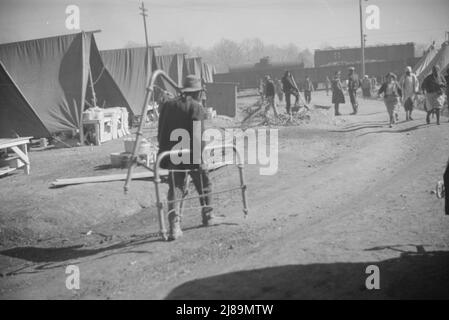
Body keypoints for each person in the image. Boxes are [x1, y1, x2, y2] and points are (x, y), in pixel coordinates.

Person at [157, 75, 219, 240]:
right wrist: (201, 156)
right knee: (204, 183)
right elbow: (198, 135)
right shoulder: (196, 107)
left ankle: (174, 227)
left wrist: (163, 154)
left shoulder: (168, 106)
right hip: (191, 155)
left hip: (172, 154)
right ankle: (208, 216)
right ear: (198, 92)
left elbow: (161, 131)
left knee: (175, 188)